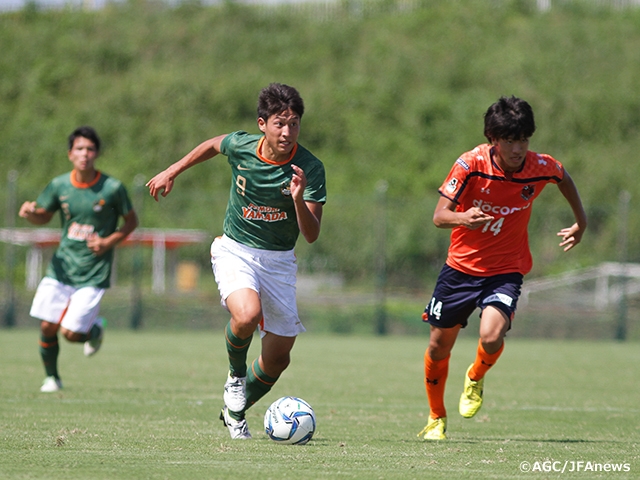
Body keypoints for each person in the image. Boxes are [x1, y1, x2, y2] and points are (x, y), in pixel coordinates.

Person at [146, 83, 327, 440]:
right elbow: (214, 144)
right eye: (279, 123)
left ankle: (235, 409)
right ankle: (234, 378)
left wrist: (297, 198)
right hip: (235, 250)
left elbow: (311, 234)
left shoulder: (310, 168)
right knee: (245, 315)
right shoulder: (242, 146)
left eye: (294, 124)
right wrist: (173, 170)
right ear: (263, 123)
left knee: (278, 358)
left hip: (278, 261)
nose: (287, 132)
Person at [417, 96, 587, 440]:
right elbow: (439, 216)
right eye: (510, 140)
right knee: (438, 346)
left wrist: (580, 223)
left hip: (506, 269)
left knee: (493, 335)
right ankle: (436, 417)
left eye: (523, 139)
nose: (518, 148)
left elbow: (564, 177)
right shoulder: (470, 165)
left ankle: (475, 377)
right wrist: (463, 217)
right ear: (494, 139)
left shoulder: (540, 165)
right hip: (461, 269)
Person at [19, 126, 138, 393]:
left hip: (93, 272)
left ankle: (93, 330)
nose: (85, 154)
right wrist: (29, 214)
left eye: (90, 149)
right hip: (62, 268)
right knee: (48, 325)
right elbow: (43, 215)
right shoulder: (59, 185)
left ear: (96, 153)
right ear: (70, 154)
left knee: (70, 334)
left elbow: (131, 221)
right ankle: (52, 378)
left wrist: (108, 242)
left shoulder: (112, 187)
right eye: (79, 149)